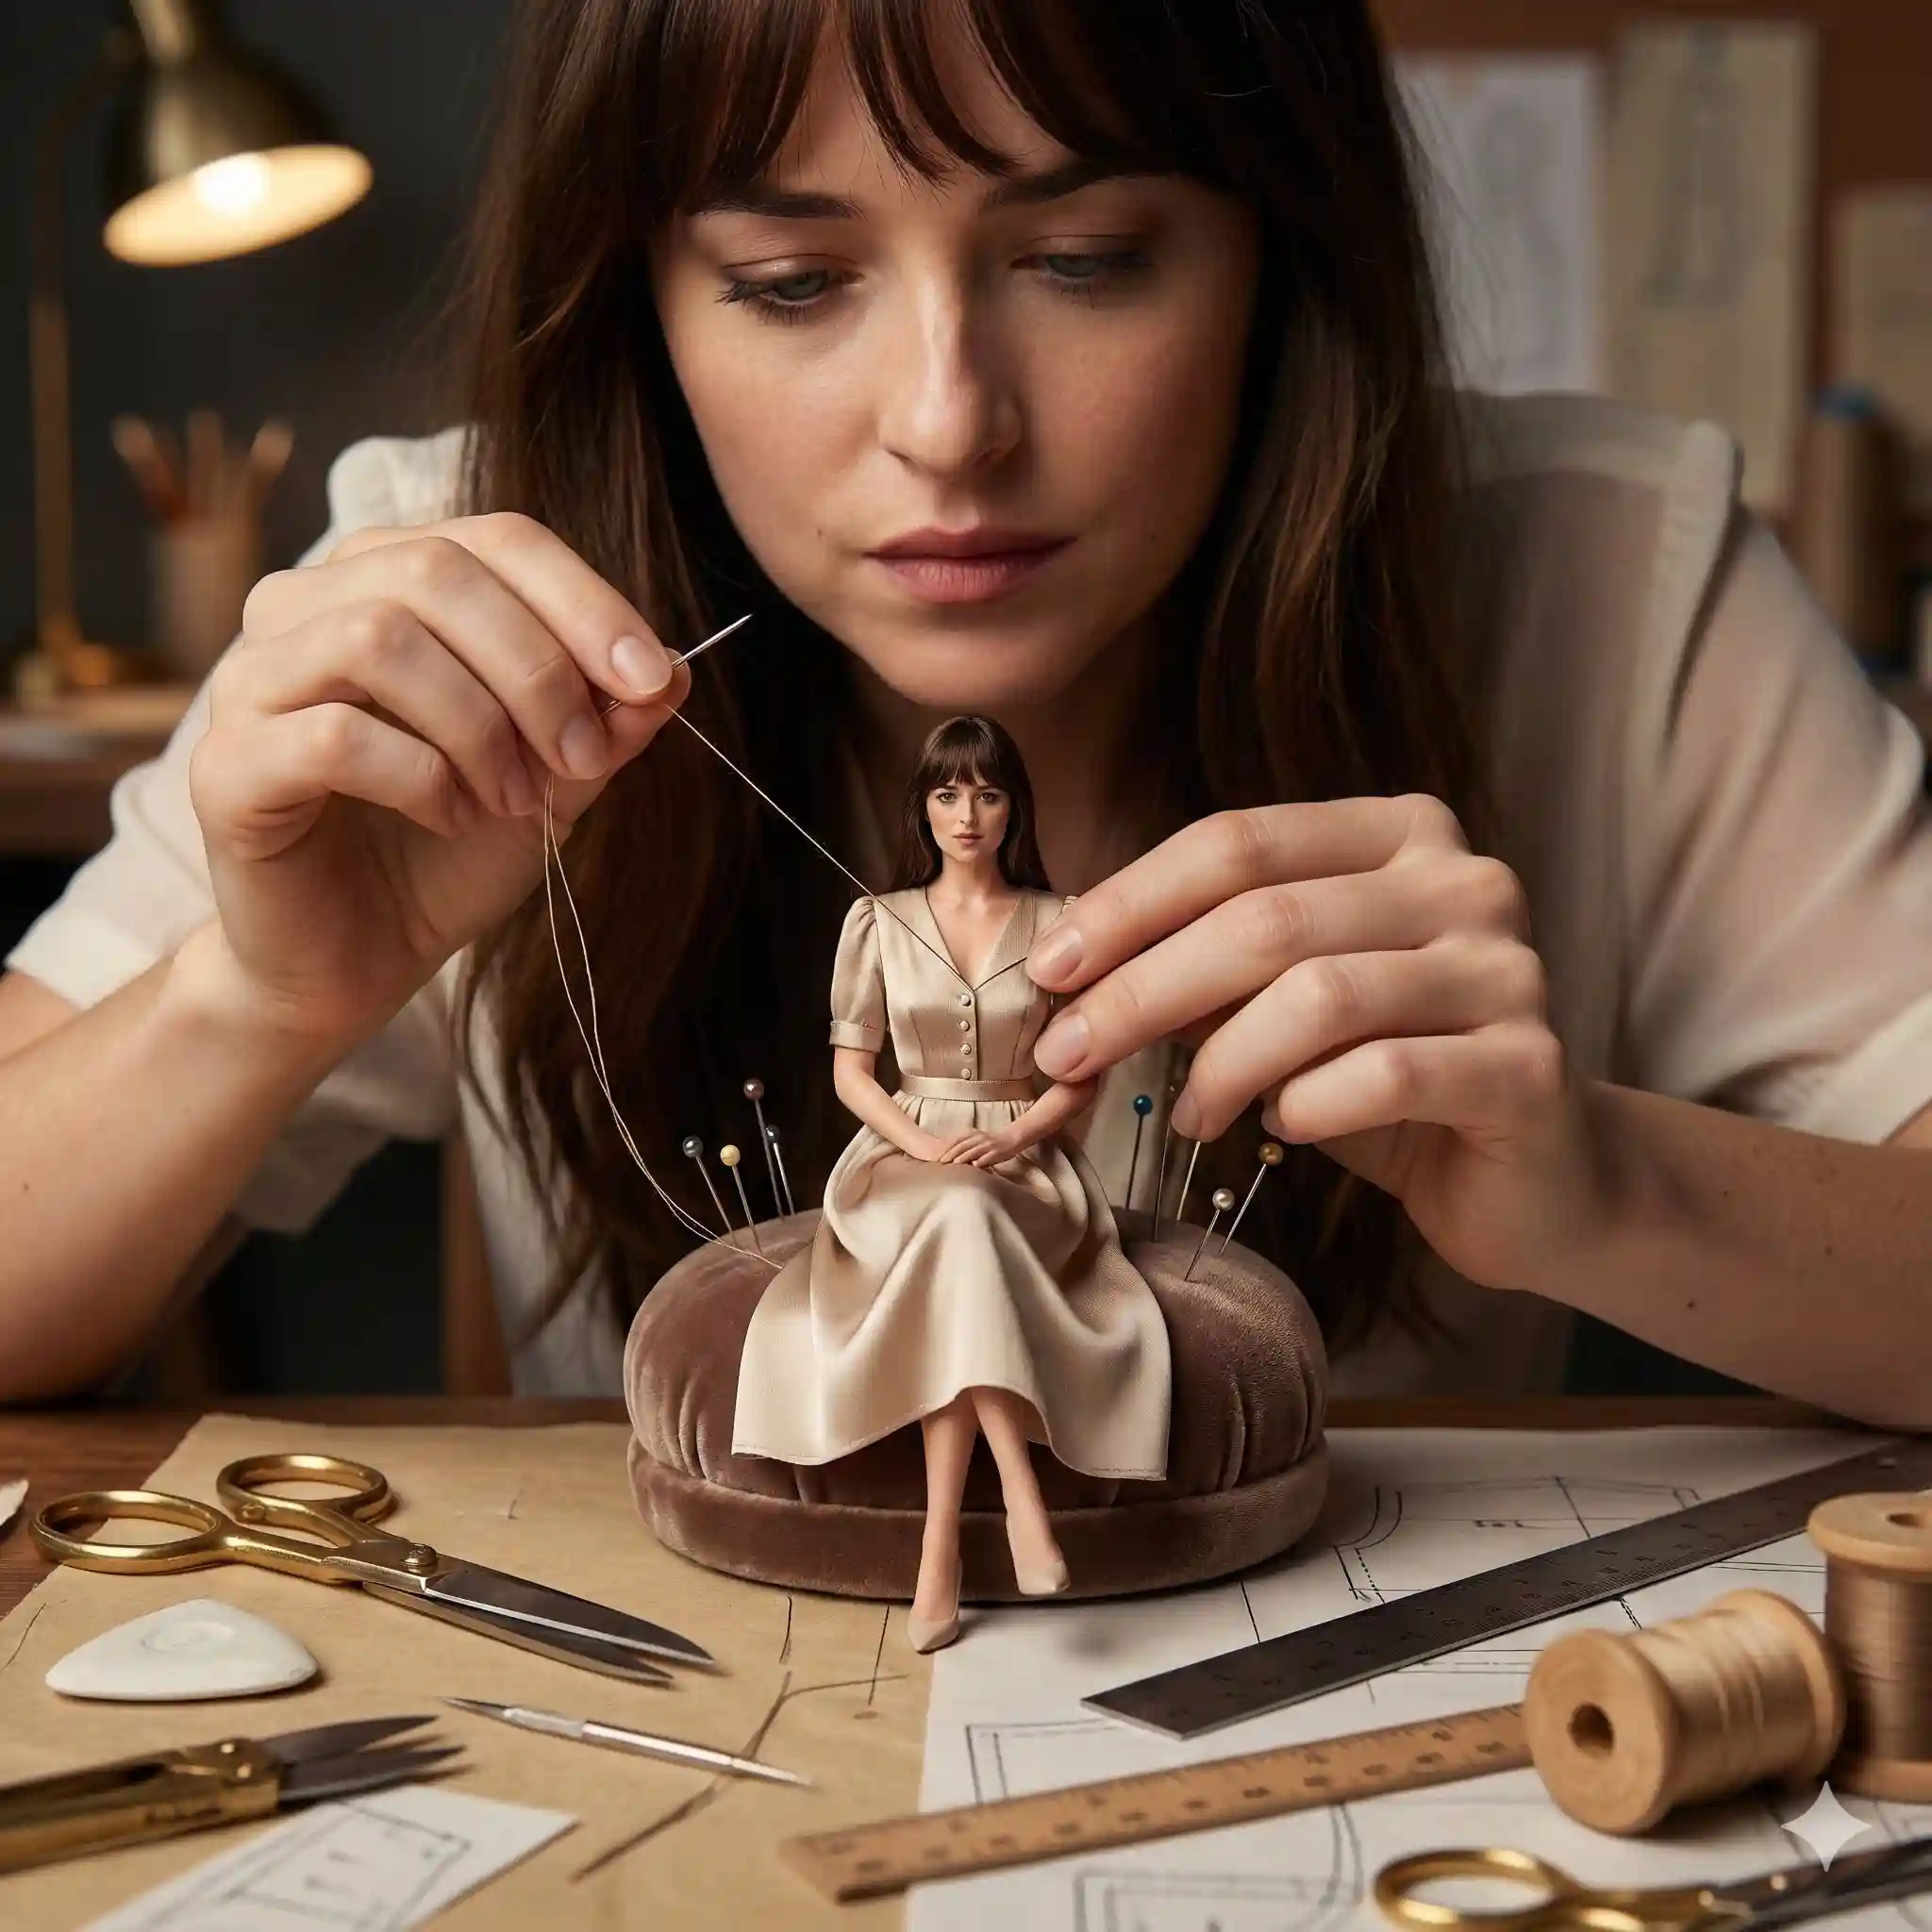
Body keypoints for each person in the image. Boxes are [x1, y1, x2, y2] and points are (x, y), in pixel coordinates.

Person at [3, 0, 1931, 1441]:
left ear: (1281, 254)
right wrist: (248, 999)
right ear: (642, 302)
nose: (946, 423)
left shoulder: (1611, 581)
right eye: (789, 281)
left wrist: (1601, 1181)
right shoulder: (447, 614)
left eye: (1083, 260)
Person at [731, 715, 1170, 1651]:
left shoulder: (1060, 921)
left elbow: (1079, 1077)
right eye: (946, 793)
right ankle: (1017, 1499)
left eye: (987, 793)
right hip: (898, 1162)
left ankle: (939, 1553)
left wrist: (1012, 1134)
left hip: (1026, 1167)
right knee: (956, 1219)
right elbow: (853, 1074)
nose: (966, 815)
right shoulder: (877, 921)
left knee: (966, 1226)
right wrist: (922, 1147)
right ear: (921, 807)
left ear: (1014, 808)